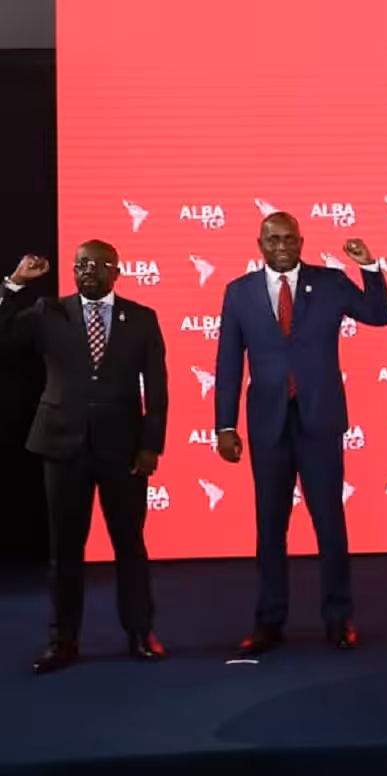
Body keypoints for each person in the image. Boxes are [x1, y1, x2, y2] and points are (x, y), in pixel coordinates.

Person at [214, 212, 387, 656]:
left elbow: (379, 315)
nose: (281, 246)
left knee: (329, 523)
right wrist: (225, 425)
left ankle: (338, 618)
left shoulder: (330, 283)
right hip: (267, 424)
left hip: (320, 422)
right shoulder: (239, 292)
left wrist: (368, 267)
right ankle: (269, 620)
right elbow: (229, 362)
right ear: (260, 244)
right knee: (270, 527)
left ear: (301, 241)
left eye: (289, 238)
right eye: (273, 239)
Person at [0, 244, 168, 673]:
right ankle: (63, 641)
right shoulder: (48, 312)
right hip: (62, 446)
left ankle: (140, 633)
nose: (87, 271)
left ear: (117, 271)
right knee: (65, 550)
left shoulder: (142, 318)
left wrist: (151, 446)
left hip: (124, 451)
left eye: (96, 265)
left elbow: (158, 390)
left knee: (130, 545)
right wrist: (14, 284)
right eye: (80, 265)